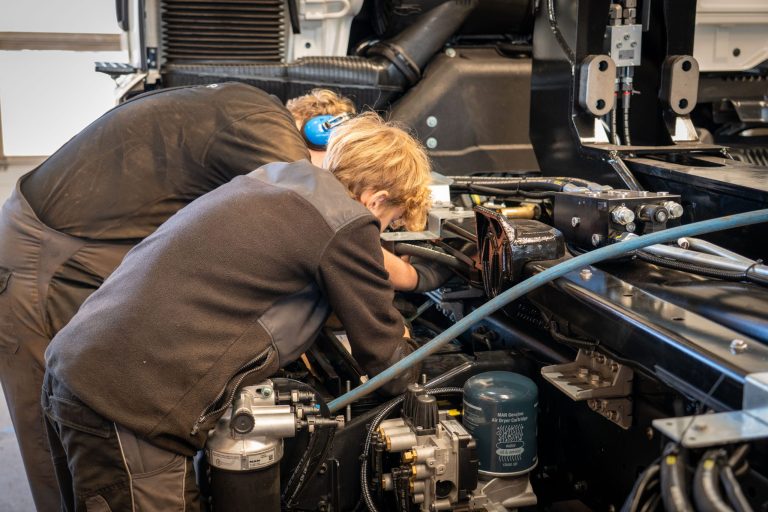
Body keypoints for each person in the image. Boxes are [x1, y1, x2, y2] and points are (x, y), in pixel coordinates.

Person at [42, 112, 431, 511]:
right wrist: (407, 343)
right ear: (376, 200)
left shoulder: (276, 179)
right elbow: (391, 370)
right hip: (126, 402)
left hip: (80, 363)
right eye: (390, 221)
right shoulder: (345, 222)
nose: (380, 230)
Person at [0, 82, 310, 511]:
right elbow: (316, 213)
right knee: (67, 441)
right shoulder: (267, 130)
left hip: (67, 248)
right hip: (43, 267)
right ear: (319, 137)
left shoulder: (245, 106)